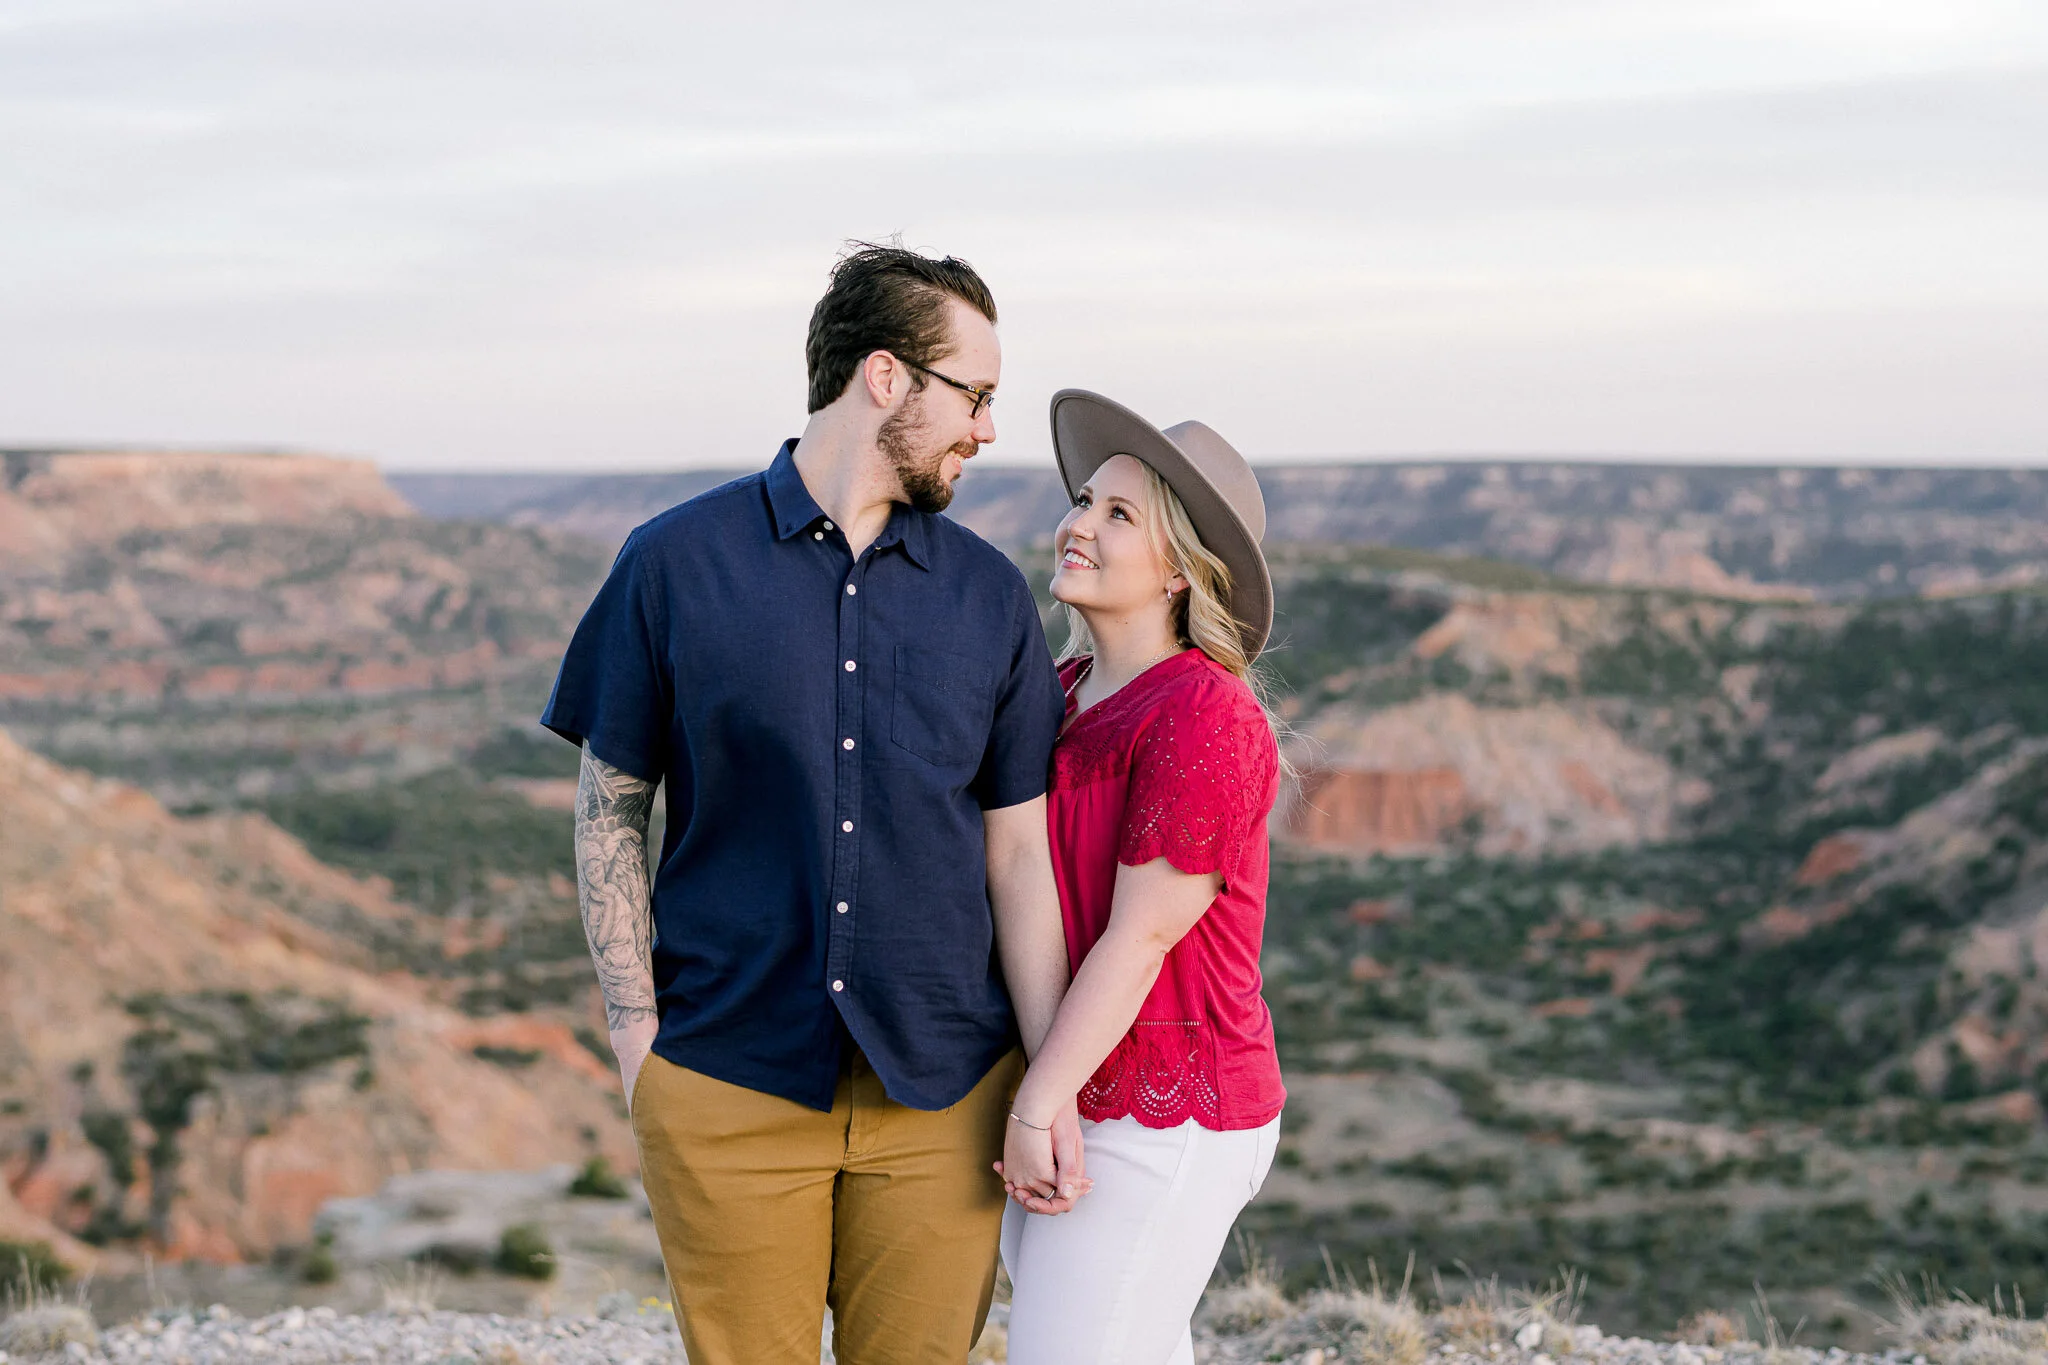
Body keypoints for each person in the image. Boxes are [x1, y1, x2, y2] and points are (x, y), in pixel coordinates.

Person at [539, 243, 1086, 1365]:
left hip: (944, 1097)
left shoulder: (989, 599)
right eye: (974, 397)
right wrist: (637, 1036)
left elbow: (1019, 859)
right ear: (886, 378)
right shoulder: (671, 564)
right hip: (725, 1082)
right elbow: (608, 812)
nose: (986, 430)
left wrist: (1046, 1081)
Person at [995, 390, 1288, 1365]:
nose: (1076, 525)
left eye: (1118, 515)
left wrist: (1040, 1102)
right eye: (1083, 500)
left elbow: (1141, 935)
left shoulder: (1205, 715)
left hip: (1171, 1104)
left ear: (1177, 569)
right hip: (1075, 1077)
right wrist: (1046, 1088)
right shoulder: (1064, 692)